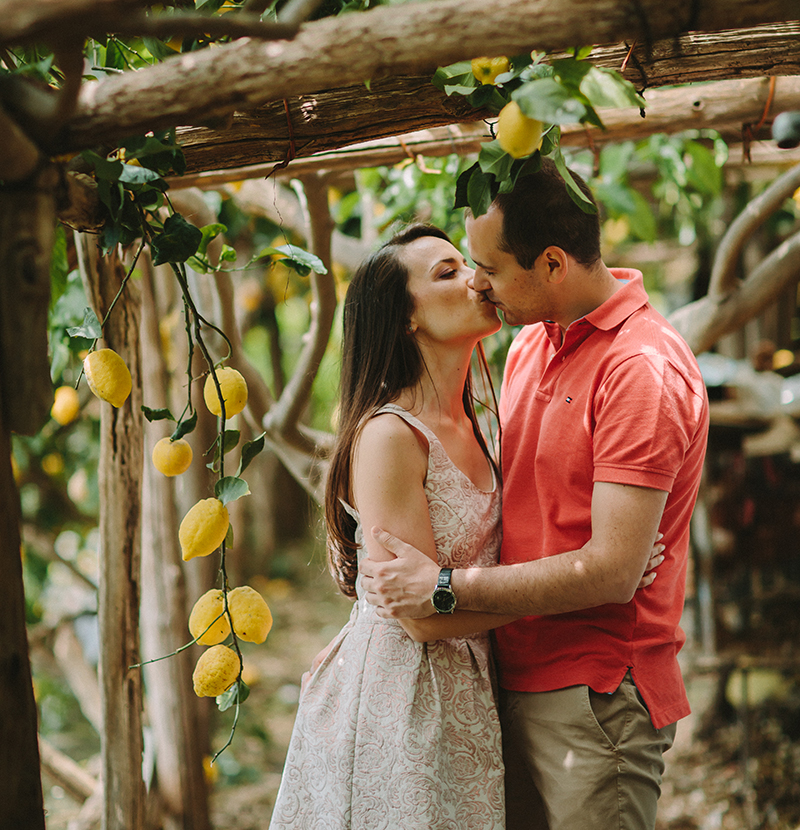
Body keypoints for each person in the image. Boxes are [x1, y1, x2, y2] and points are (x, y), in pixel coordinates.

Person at [360, 159, 710, 830]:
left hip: (592, 696)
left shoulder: (639, 369)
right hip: (502, 678)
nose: (478, 284)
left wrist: (443, 588)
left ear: (552, 264)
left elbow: (611, 573)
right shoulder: (528, 347)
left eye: (489, 267)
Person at [268, 224, 512, 829]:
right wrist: (568, 591)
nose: (476, 279)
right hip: (404, 700)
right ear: (406, 318)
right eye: (447, 273)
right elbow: (420, 617)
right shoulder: (388, 436)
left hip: (472, 688)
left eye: (468, 263)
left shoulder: (484, 417)